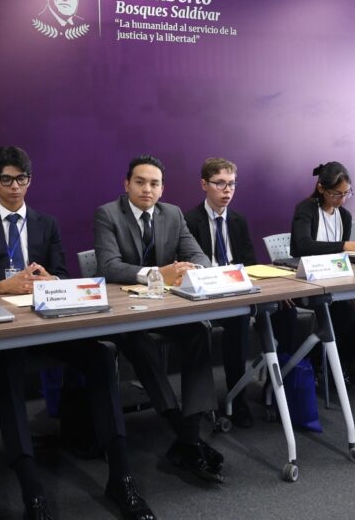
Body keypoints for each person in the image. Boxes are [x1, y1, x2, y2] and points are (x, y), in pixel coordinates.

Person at [0, 147, 153, 520]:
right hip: (3, 330)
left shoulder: (45, 223)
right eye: (6, 179)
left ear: (29, 181)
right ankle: (32, 491)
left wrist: (52, 280)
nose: (15, 186)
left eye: (21, 179)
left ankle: (121, 476)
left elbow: (63, 274)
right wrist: (2, 286)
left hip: (48, 322)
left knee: (101, 355)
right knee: (6, 371)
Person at [94, 155, 224, 484]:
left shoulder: (173, 214)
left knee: (199, 331)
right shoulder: (108, 214)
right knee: (138, 341)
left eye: (154, 184)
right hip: (124, 312)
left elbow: (199, 255)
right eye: (140, 182)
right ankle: (183, 431)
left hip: (165, 307)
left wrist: (191, 268)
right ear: (127, 184)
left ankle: (188, 435)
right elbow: (109, 266)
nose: (147, 189)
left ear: (162, 188)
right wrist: (157, 273)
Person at [184, 157, 297, 427]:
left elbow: (251, 264)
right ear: (204, 185)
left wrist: (273, 290)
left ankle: (277, 387)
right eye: (220, 183)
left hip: (240, 289)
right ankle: (237, 398)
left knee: (286, 312)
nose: (227, 190)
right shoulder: (189, 220)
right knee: (238, 320)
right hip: (208, 294)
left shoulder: (237, 220)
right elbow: (188, 267)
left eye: (232, 184)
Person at [290, 162, 355, 379]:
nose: (342, 200)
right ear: (321, 188)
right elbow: (304, 246)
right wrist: (346, 245)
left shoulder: (344, 215)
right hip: (307, 280)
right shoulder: (306, 209)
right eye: (336, 194)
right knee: (343, 309)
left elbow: (342, 256)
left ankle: (338, 360)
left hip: (338, 278)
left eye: (347, 193)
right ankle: (321, 363)